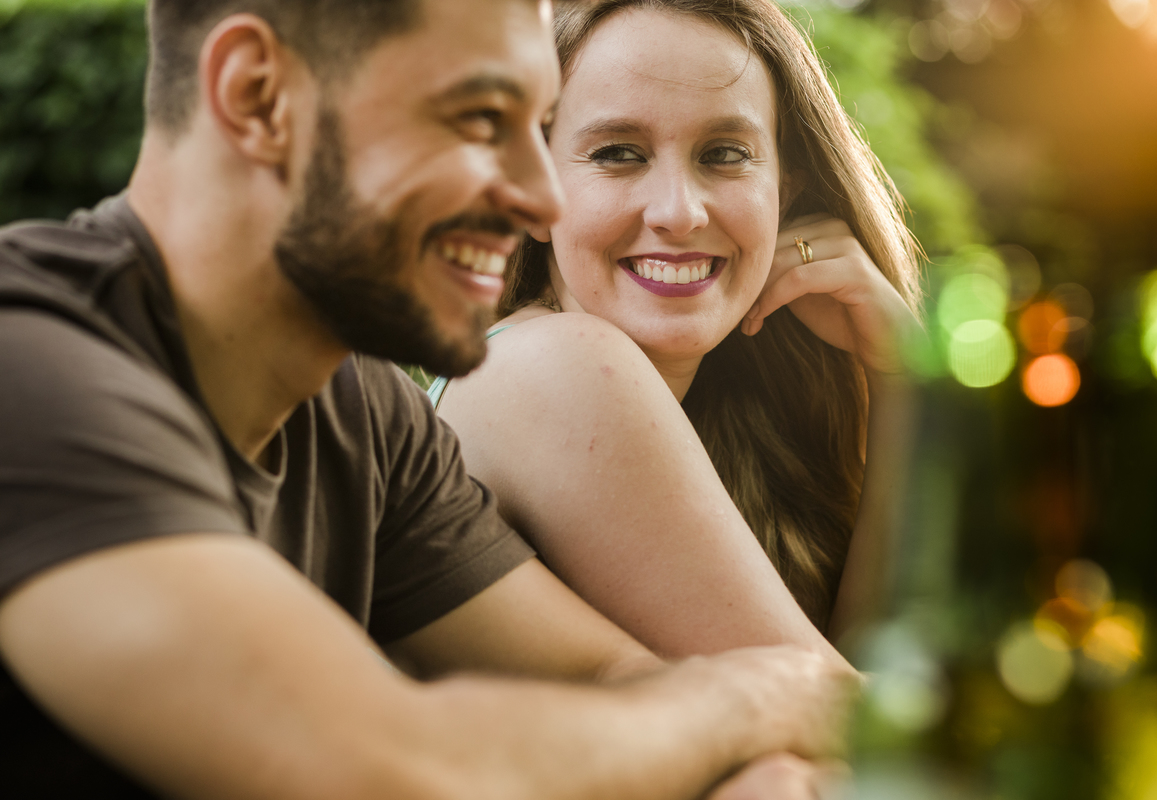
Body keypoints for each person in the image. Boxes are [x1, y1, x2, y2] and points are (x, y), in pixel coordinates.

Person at [0, 0, 860, 797]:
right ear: (257, 97)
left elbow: (619, 681)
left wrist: (751, 763)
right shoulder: (27, 366)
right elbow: (390, 762)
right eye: (481, 120)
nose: (538, 197)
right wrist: (752, 705)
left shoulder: (361, 413)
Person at [432, 0, 923, 662]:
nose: (679, 211)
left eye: (724, 153)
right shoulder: (557, 367)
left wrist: (900, 385)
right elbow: (863, 727)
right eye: (618, 153)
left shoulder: (730, 422)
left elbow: (894, 681)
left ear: (786, 192)